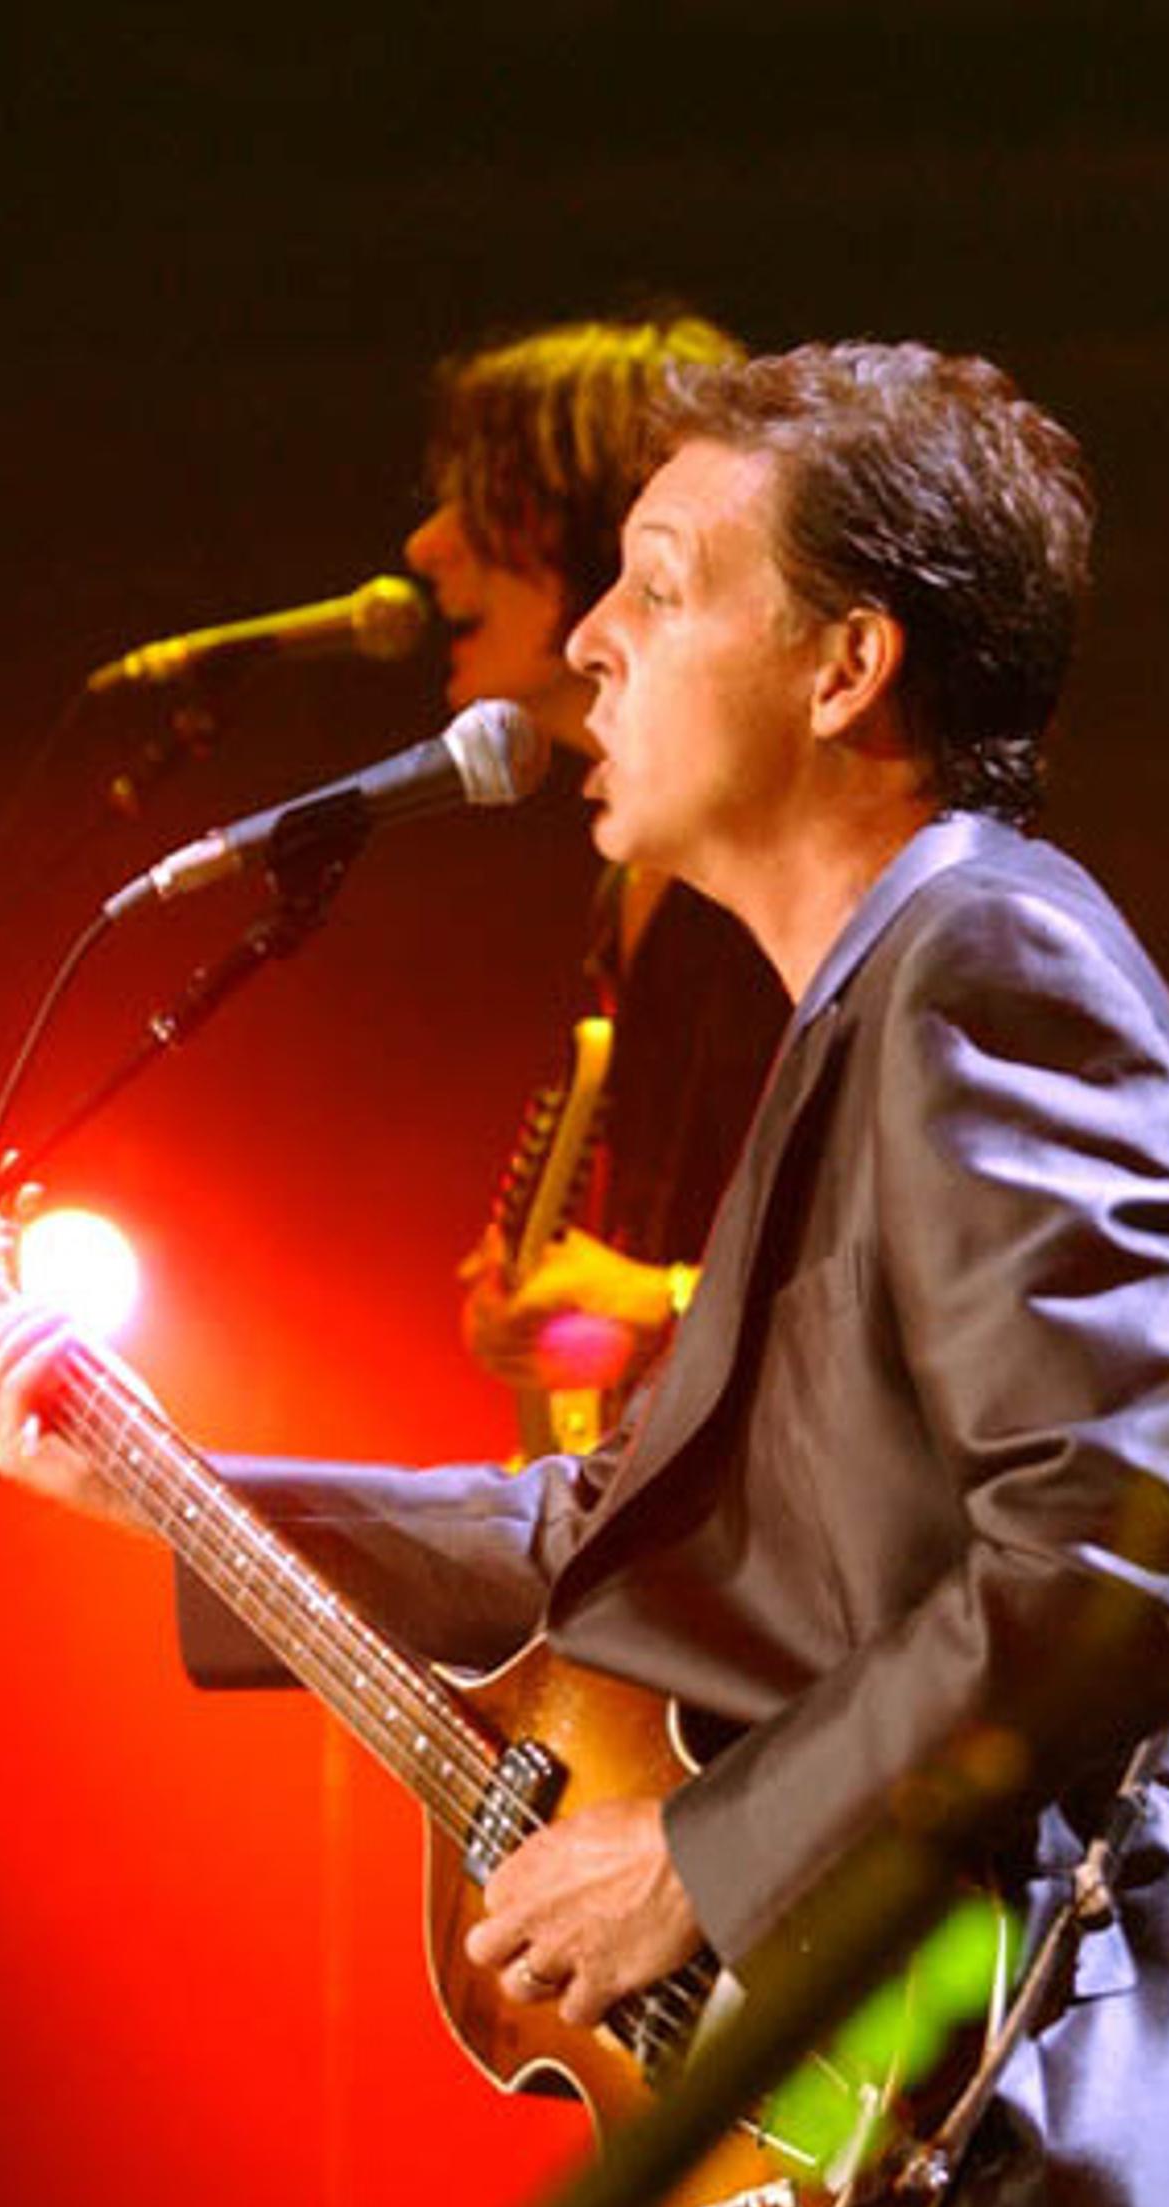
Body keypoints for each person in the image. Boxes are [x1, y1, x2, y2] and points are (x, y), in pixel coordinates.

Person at [0, 341, 1169, 2207]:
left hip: (987, 2154)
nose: (584, 643)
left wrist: (699, 1856)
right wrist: (173, 1486)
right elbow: (658, 1532)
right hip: (896, 2181)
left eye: (661, 581)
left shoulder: (981, 974)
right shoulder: (885, 996)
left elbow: (1115, 1545)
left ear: (847, 665)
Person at [399, 315, 786, 1444]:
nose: (428, 546)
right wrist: (557, 1307)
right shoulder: (635, 876)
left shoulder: (787, 860)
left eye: (488, 500)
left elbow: (924, 1267)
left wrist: (663, 1304)